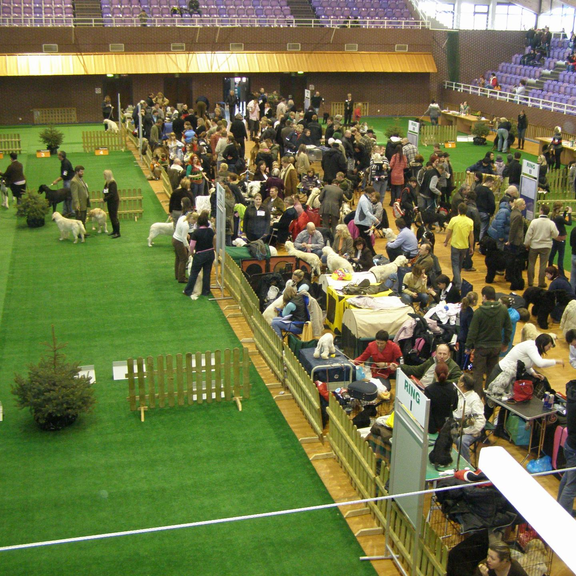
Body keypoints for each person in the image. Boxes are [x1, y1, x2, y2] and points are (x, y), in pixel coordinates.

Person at [466, 286, 512, 397]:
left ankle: (477, 398)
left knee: (478, 373)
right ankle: (489, 398)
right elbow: (508, 328)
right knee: (492, 373)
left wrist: (468, 346)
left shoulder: (479, 312)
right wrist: (505, 343)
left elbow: (473, 331)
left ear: (484, 296)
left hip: (481, 348)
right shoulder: (503, 310)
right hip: (496, 347)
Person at [453, 373, 485, 462]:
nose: (457, 381)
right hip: (458, 426)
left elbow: (480, 421)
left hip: (471, 431)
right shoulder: (458, 393)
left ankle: (466, 465)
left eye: (459, 380)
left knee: (461, 441)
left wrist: (465, 431)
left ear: (462, 384)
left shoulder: (474, 400)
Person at [525, 203, 559, 288]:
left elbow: (529, 234)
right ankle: (541, 282)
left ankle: (530, 281)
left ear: (541, 211)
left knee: (531, 263)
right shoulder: (551, 223)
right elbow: (555, 234)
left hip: (534, 245)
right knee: (543, 265)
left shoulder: (534, 222)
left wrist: (526, 244)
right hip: (546, 246)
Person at [183, 211, 214, 299]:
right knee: (207, 273)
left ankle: (188, 290)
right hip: (210, 253)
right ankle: (206, 291)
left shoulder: (196, 232)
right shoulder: (210, 231)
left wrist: (191, 253)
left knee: (194, 273)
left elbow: (192, 245)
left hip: (200, 254)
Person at [444, 203, 474, 290]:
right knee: (460, 264)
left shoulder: (454, 220)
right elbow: (471, 236)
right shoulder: (470, 221)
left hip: (455, 245)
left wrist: (446, 241)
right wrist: (471, 247)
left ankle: (458, 284)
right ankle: (455, 280)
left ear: (458, 210)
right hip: (465, 246)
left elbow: (449, 232)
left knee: (455, 265)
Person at [558, 378, 576, 514]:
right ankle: (563, 516)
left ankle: (560, 508)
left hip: (569, 444)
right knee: (572, 486)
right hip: (574, 448)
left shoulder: (572, 392)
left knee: (567, 478)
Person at [424, 361, 458, 434]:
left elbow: (428, 411)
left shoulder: (429, 390)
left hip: (433, 426)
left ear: (435, 374)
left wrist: (432, 429)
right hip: (448, 426)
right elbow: (455, 406)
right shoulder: (453, 388)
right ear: (448, 374)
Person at [548, 201, 572, 276]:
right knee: (560, 257)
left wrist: (565, 212)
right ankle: (561, 273)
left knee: (552, 254)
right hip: (561, 238)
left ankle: (549, 269)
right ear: (559, 208)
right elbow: (569, 223)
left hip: (555, 237)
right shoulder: (559, 217)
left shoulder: (553, 216)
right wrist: (569, 213)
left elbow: (562, 220)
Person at [354, 188, 379, 256]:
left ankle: (365, 253)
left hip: (363, 222)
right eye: (372, 194)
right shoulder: (364, 200)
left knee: (364, 240)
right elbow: (366, 212)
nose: (373, 196)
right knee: (367, 240)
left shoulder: (365, 198)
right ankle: (372, 254)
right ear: (368, 193)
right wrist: (375, 219)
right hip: (362, 222)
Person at [172, 209, 194, 284]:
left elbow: (179, 228)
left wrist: (185, 234)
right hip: (179, 241)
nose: (194, 223)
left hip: (174, 239)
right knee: (183, 259)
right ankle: (181, 278)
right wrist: (189, 247)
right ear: (192, 218)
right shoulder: (186, 226)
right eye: (194, 221)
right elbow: (184, 239)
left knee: (178, 258)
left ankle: (177, 275)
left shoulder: (182, 218)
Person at [51, 151, 74, 215]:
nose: (57, 156)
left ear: (61, 156)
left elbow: (64, 175)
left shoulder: (65, 163)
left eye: (58, 155)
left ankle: (68, 211)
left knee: (67, 197)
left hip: (68, 181)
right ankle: (68, 211)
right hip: (68, 180)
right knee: (68, 197)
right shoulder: (64, 162)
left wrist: (56, 181)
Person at [102, 169, 120, 238]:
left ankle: (117, 232)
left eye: (104, 175)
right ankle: (114, 231)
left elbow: (112, 194)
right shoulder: (107, 183)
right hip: (110, 201)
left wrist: (104, 199)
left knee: (114, 217)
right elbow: (106, 191)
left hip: (114, 202)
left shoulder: (113, 183)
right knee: (111, 216)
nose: (104, 176)